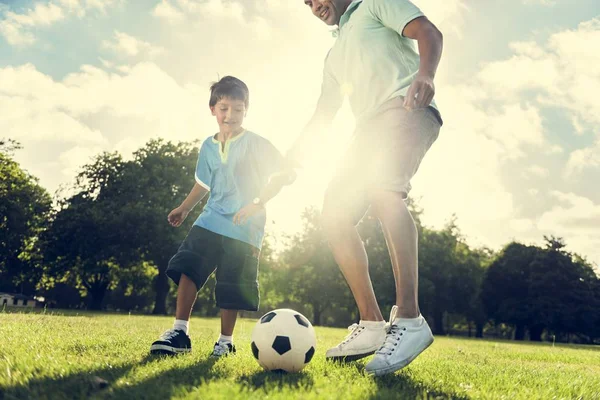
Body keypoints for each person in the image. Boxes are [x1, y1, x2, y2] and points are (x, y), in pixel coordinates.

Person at [286, 0, 444, 375]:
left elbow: (429, 32)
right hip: (367, 131)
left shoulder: (375, 5)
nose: (313, 6)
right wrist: (292, 156)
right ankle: (372, 322)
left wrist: (426, 73)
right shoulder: (334, 53)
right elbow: (324, 114)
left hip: (405, 108)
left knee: (382, 190)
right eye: (306, 3)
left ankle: (410, 319)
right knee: (335, 215)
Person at [150, 76, 295, 358]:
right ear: (213, 109)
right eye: (225, 108)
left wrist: (257, 202)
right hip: (210, 219)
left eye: (238, 109)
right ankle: (180, 332)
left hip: (244, 227)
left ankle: (225, 342)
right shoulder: (207, 146)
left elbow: (286, 173)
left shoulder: (256, 144)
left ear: (246, 111)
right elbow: (204, 182)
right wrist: (185, 208)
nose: (231, 115)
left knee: (231, 283)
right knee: (188, 266)